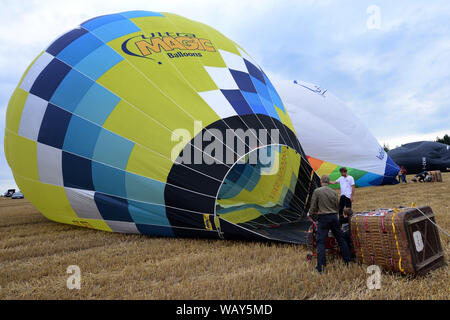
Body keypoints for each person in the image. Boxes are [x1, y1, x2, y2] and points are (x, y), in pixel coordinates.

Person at [310, 175, 352, 273]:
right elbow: (337, 207)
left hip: (324, 218)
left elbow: (313, 206)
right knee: (341, 239)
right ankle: (348, 261)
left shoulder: (317, 191)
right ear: (328, 182)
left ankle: (321, 267)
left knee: (321, 242)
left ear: (321, 182)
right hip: (334, 217)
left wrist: (311, 213)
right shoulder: (333, 192)